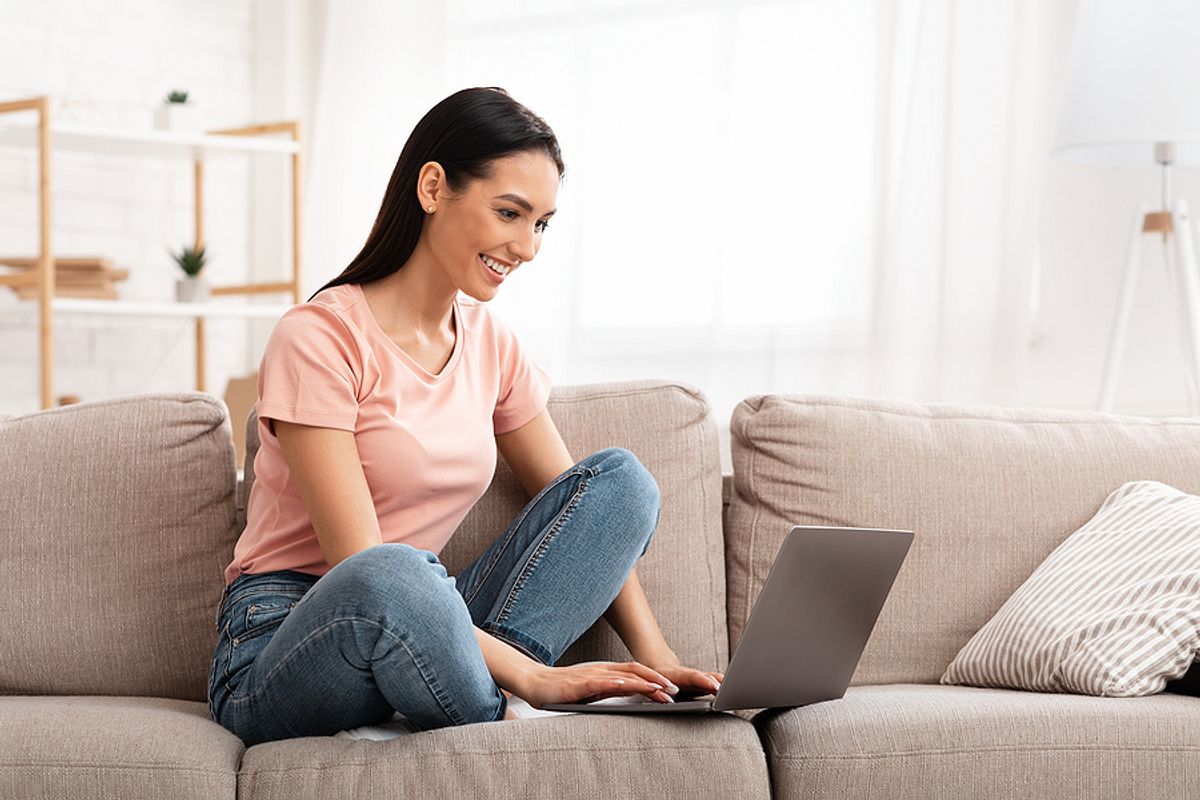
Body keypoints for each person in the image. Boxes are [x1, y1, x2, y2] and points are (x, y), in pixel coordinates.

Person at [207, 87, 723, 746]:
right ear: (432, 187)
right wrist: (537, 677)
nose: (528, 247)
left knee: (621, 484)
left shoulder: (491, 342)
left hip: (426, 623)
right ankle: (499, 703)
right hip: (286, 639)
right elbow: (357, 565)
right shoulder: (318, 337)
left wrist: (659, 663)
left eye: (540, 224)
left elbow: (577, 504)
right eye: (509, 213)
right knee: (394, 570)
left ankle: (451, 695)